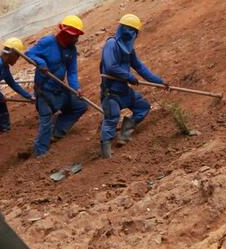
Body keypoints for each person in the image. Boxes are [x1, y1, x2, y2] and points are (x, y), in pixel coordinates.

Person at [97, 14, 165, 159]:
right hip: (111, 94)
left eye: (133, 30)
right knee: (112, 118)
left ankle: (124, 135)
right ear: (121, 28)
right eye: (128, 29)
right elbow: (110, 66)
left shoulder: (129, 50)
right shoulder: (111, 44)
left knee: (143, 107)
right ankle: (105, 154)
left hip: (124, 91)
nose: (130, 33)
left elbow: (140, 67)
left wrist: (159, 81)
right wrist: (129, 76)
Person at [26, 14, 89, 159]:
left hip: (60, 89)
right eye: (75, 36)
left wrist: (76, 88)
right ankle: (40, 153)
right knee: (46, 120)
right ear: (65, 34)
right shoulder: (48, 42)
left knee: (80, 106)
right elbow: (29, 54)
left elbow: (72, 72)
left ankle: (57, 131)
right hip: (44, 91)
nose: (77, 39)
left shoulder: (71, 50)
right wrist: (40, 63)